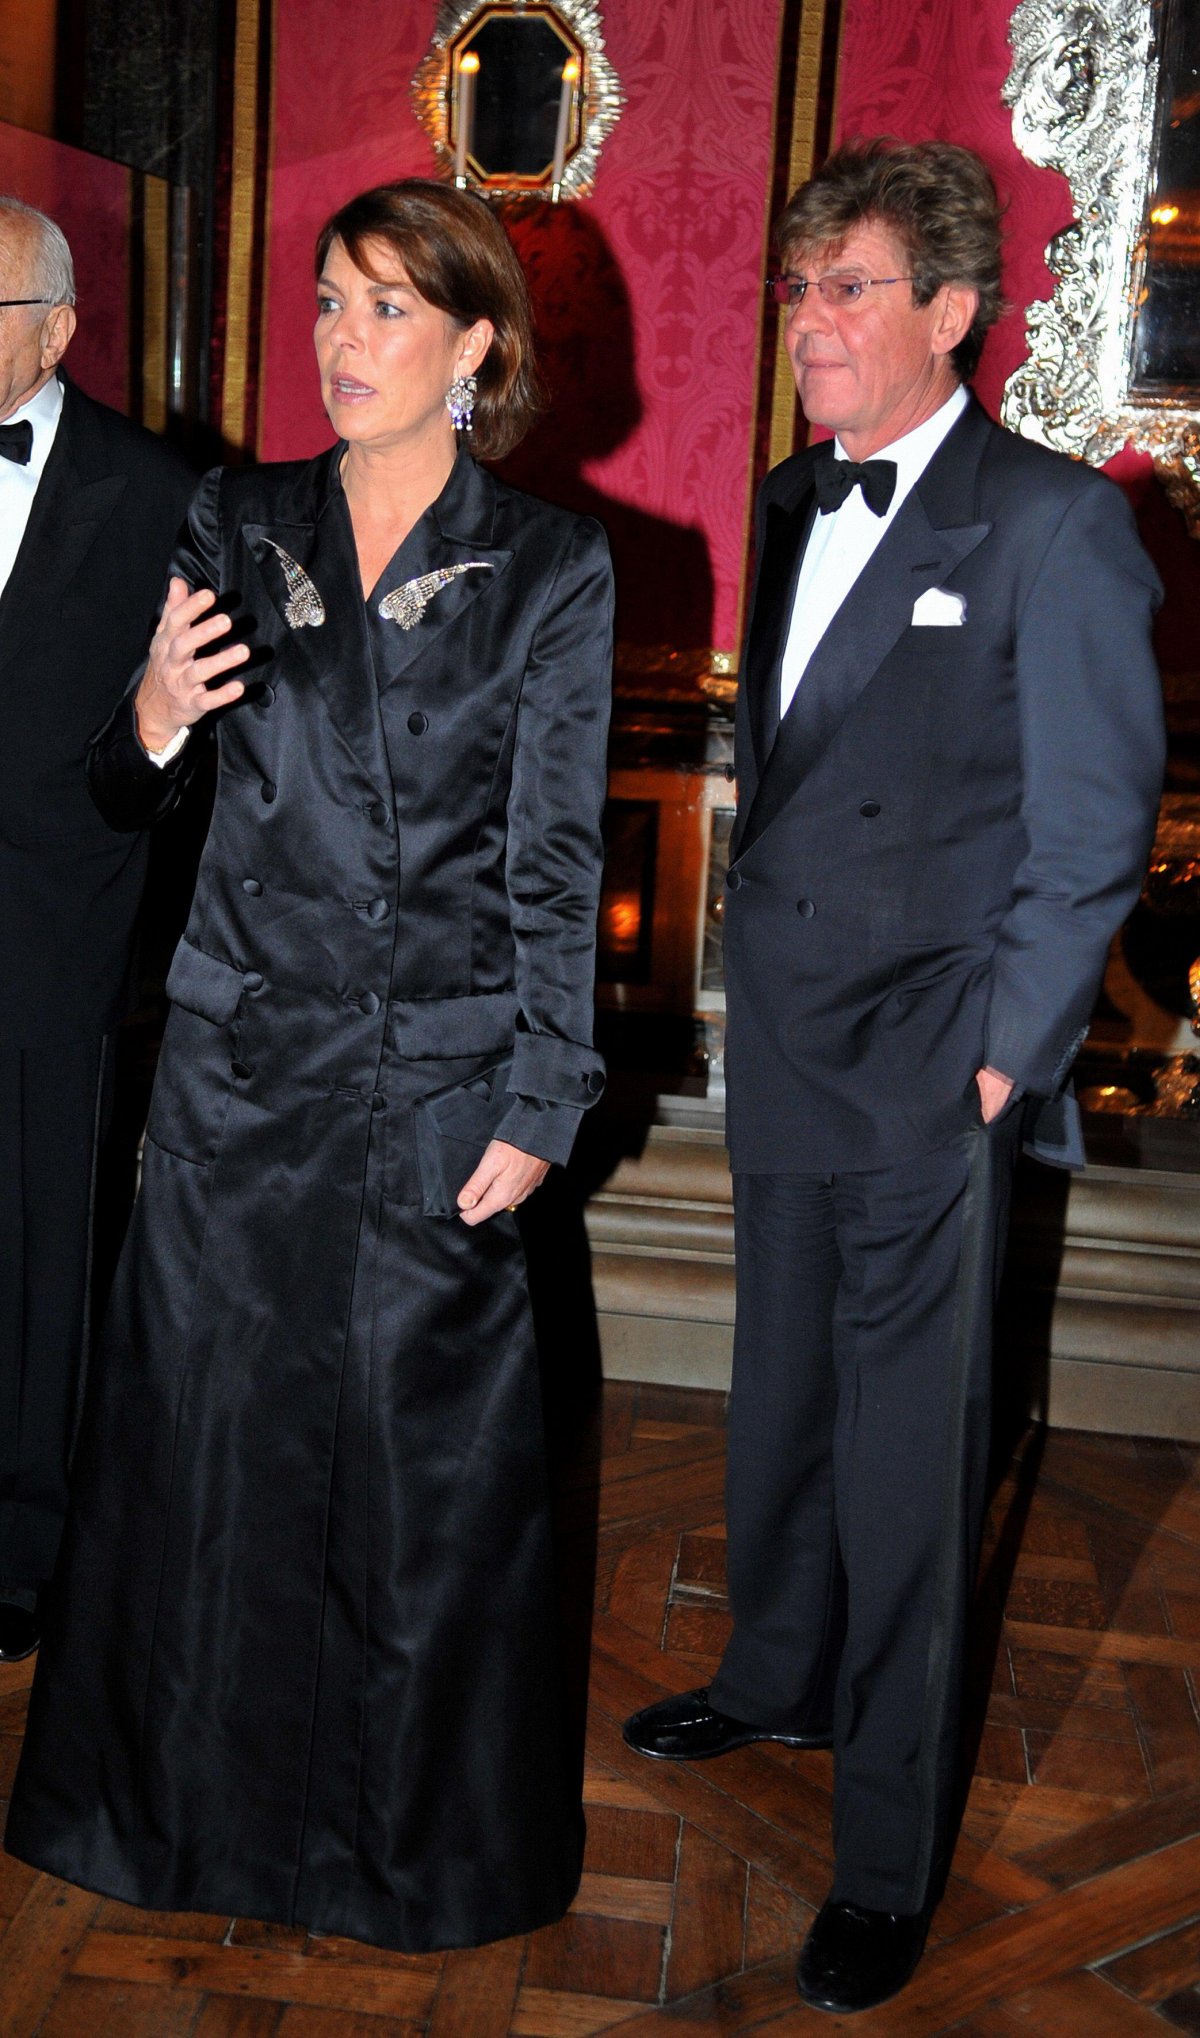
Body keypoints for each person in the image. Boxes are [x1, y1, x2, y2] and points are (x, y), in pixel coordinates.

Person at [7, 179, 613, 1953]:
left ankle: (398, 1853)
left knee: (423, 1492)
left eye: (387, 312)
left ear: (473, 346)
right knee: (204, 1465)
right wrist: (148, 721)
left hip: (434, 1088)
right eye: (332, 304)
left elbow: (556, 859)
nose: (343, 343)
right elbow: (131, 795)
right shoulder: (234, 511)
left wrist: (542, 1091)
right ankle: (173, 1821)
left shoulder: (551, 567)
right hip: (235, 1080)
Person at [623, 139, 1165, 2014]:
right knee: (776, 1395)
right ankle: (774, 1669)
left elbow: (1094, 827)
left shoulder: (1051, 525)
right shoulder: (790, 497)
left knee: (913, 1477)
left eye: (851, 287)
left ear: (954, 312)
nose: (810, 324)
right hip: (784, 1039)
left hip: (936, 1070)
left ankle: (884, 1850)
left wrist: (1006, 1063)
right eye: (797, 289)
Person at [0, 197, 194, 1663]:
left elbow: (178, 746)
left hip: (53, 929)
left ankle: (24, 1545)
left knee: (38, 1244)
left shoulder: (155, 490)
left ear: (58, 332)